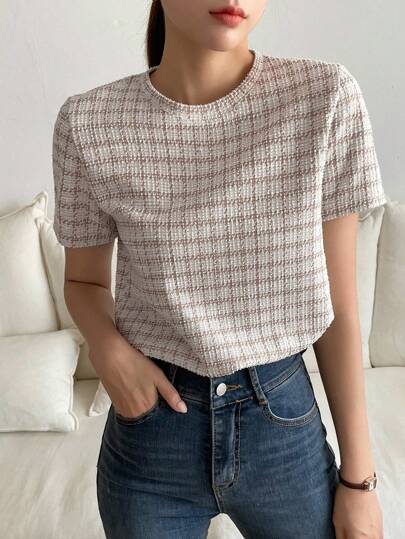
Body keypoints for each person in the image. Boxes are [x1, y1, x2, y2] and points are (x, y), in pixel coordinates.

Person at [52, 1, 386, 538]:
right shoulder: (89, 122)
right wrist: (108, 349)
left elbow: (341, 310)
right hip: (151, 433)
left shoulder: (323, 98)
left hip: (281, 424)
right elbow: (83, 282)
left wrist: (360, 481)